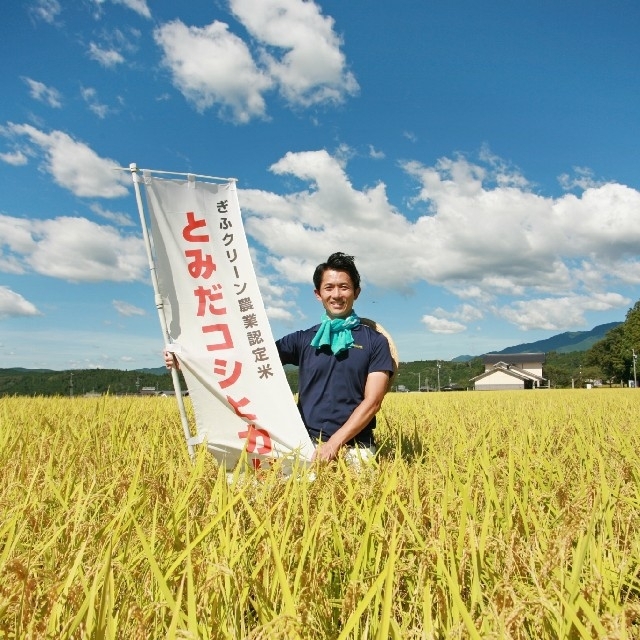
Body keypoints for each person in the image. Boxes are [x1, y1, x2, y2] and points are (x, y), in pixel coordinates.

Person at [166, 252, 394, 464]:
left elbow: (372, 402)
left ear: (356, 292)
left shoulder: (375, 342)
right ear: (318, 294)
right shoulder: (304, 339)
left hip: (357, 448)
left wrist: (334, 444)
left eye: (344, 287)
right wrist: (189, 361)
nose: (336, 295)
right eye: (329, 288)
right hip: (306, 444)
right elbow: (249, 359)